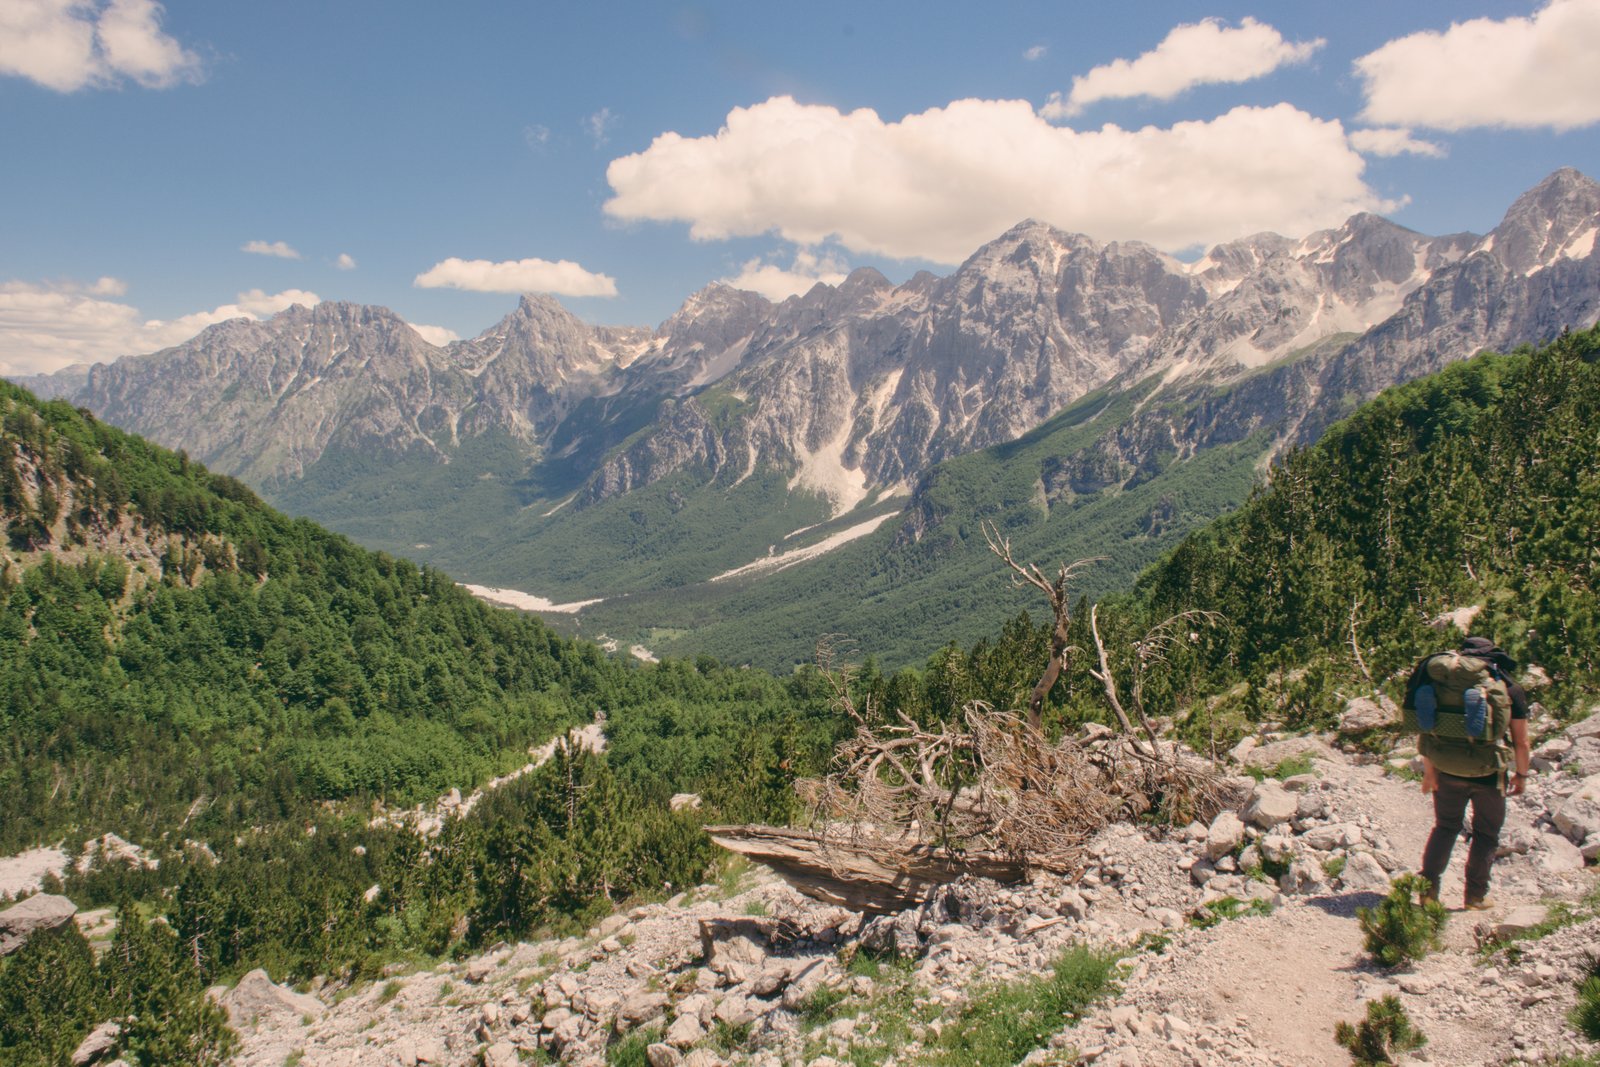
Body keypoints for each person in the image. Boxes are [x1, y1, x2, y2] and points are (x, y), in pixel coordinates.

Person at [1414, 636, 1531, 909]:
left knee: (1445, 828)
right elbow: (1521, 741)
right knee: (1486, 834)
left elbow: (1428, 729)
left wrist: (1430, 770)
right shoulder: (1509, 688)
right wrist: (1522, 775)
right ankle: (1475, 896)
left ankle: (1427, 892)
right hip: (1488, 773)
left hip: (1445, 768)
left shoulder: (1440, 684)